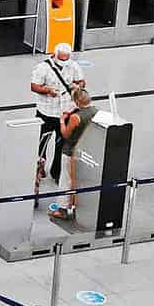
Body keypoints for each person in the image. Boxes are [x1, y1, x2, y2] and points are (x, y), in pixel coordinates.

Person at [29, 43, 84, 191]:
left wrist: (77, 86)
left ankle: (57, 171)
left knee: (63, 144)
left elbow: (81, 82)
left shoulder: (74, 66)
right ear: (55, 55)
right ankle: (39, 168)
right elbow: (34, 86)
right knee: (42, 144)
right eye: (61, 59)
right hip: (46, 113)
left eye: (66, 59)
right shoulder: (43, 68)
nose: (64, 62)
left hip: (65, 113)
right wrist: (47, 90)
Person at [49, 85, 97, 222]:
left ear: (76, 102)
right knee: (81, 180)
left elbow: (65, 134)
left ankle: (62, 209)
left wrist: (62, 120)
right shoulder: (96, 112)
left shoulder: (76, 117)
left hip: (70, 151)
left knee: (66, 180)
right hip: (86, 151)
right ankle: (78, 207)